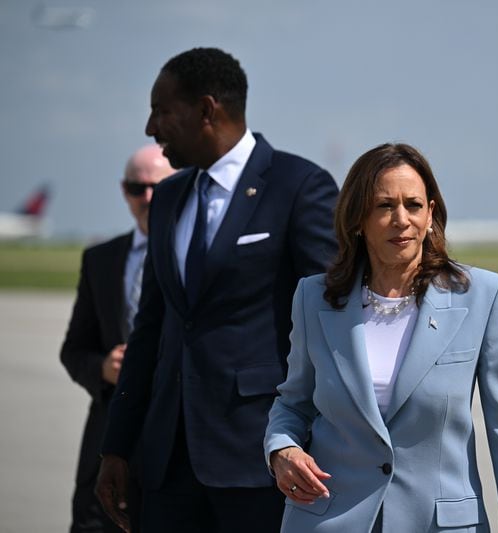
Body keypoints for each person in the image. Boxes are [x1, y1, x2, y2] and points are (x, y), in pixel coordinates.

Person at [94, 47, 338, 533]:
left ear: (207, 110)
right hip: (167, 464)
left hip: (261, 461)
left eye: (162, 110)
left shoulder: (299, 187)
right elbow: (150, 331)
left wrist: (316, 441)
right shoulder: (168, 197)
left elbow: (332, 324)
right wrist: (116, 446)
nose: (151, 127)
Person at [264, 143, 498, 532]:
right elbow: (293, 405)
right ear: (358, 218)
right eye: (383, 206)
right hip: (330, 521)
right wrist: (282, 449)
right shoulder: (313, 298)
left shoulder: (484, 296)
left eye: (413, 205)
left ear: (431, 214)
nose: (401, 220)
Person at [61, 144, 175, 532]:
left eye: (157, 187)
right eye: (135, 187)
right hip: (109, 438)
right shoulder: (101, 259)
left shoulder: (197, 256)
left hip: (177, 444)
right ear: (123, 191)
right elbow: (74, 349)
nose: (146, 197)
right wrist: (103, 369)